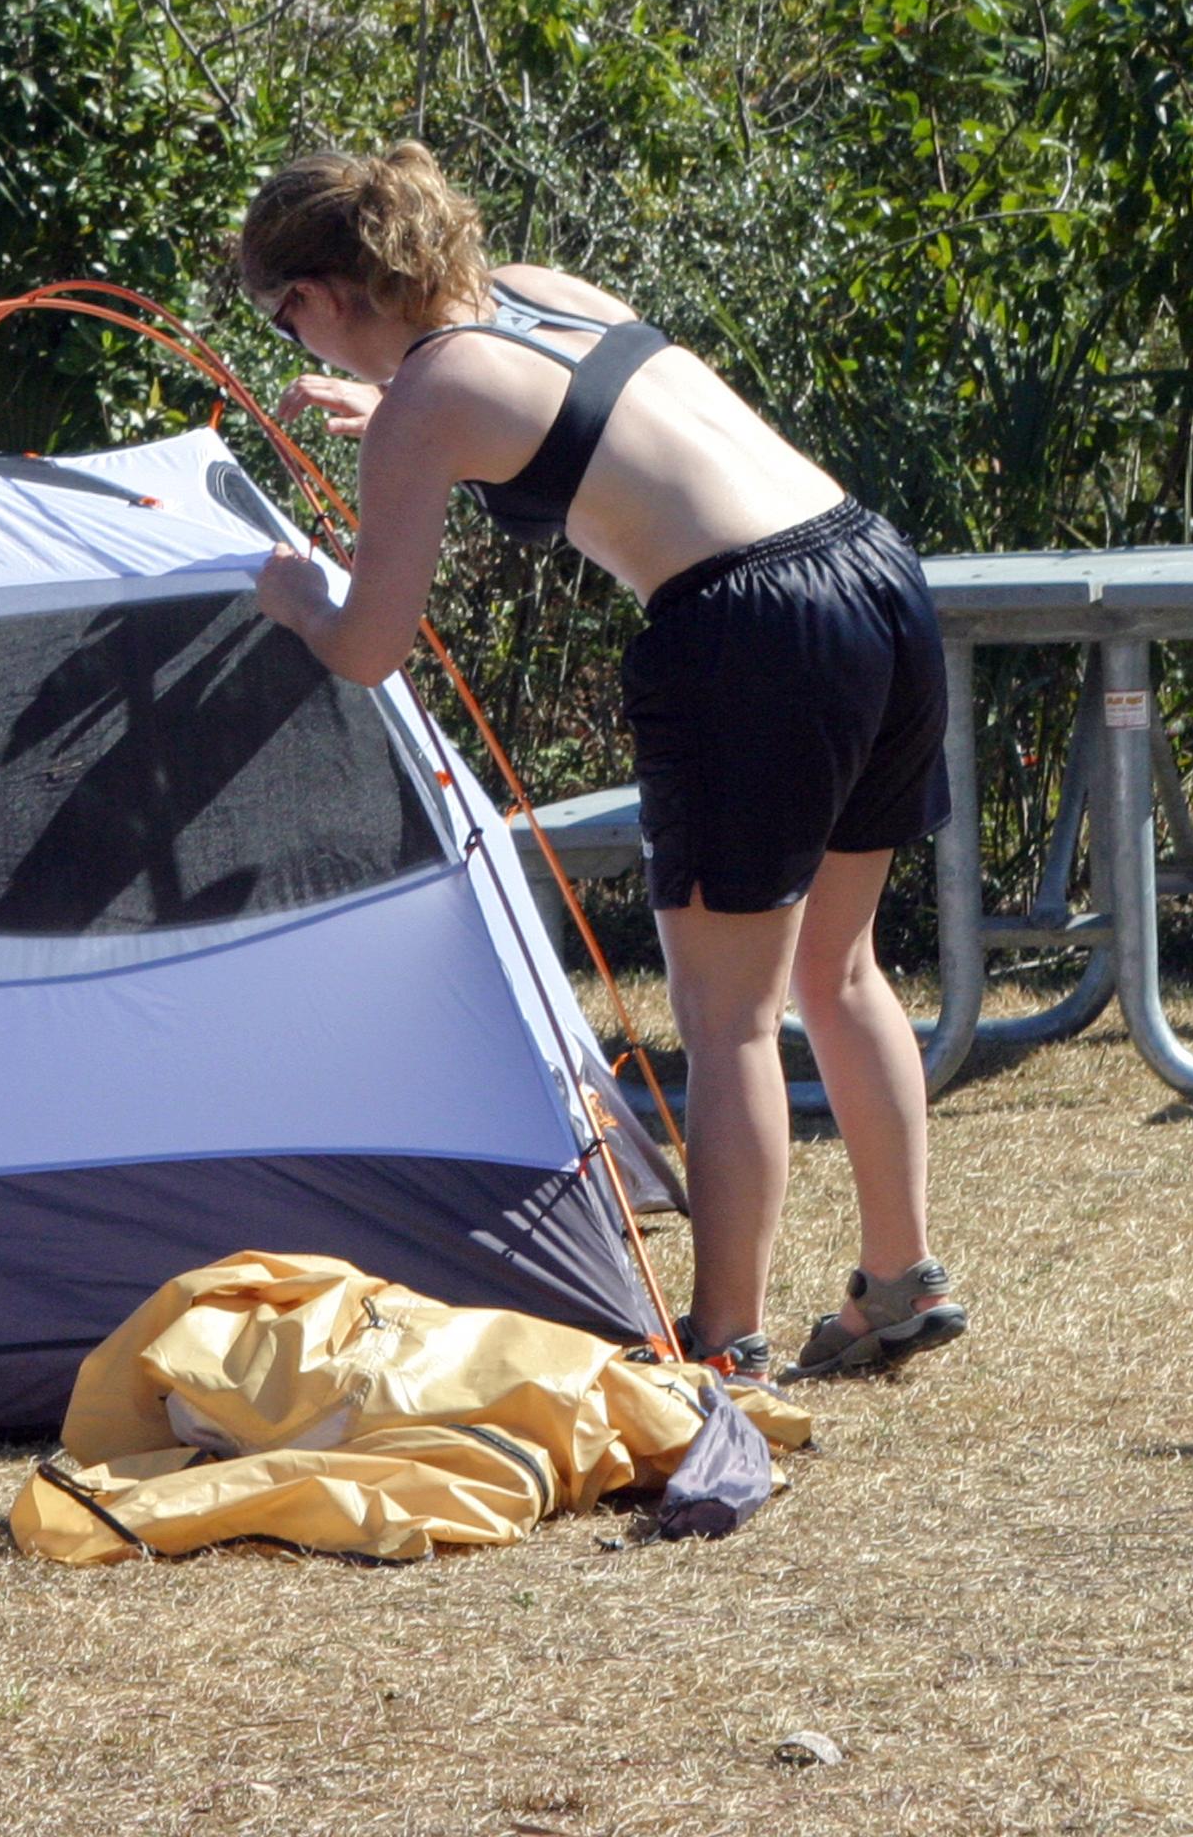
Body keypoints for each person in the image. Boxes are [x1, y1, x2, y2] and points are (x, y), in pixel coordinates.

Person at [237, 144, 964, 1382]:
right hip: (873, 577)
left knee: (727, 1020)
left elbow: (368, 648)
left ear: (325, 294)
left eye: (283, 319)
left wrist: (299, 597)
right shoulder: (541, 290)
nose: (300, 347)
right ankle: (899, 1280)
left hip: (746, 627)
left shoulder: (426, 404)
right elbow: (566, 419)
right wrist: (398, 418)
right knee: (839, 972)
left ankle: (719, 1342)